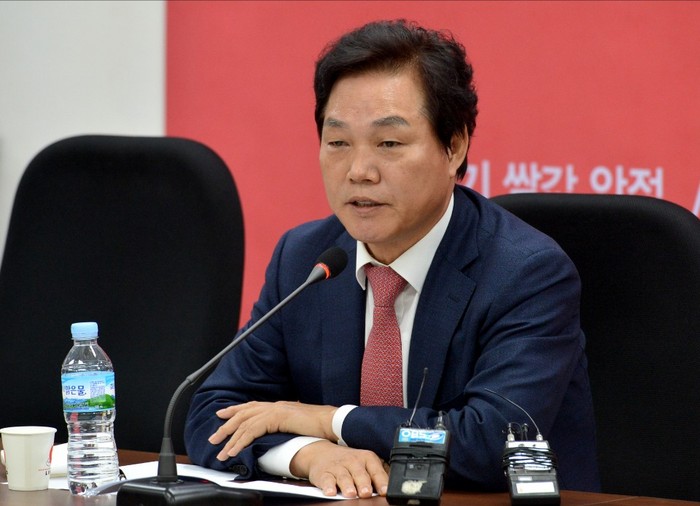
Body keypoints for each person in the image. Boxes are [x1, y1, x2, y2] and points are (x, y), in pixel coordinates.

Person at [185, 19, 600, 498]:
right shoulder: (306, 259)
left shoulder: (525, 272)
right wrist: (308, 454)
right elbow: (212, 412)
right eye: (338, 143)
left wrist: (330, 421)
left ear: (454, 146)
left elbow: (488, 442)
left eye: (389, 144)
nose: (359, 171)